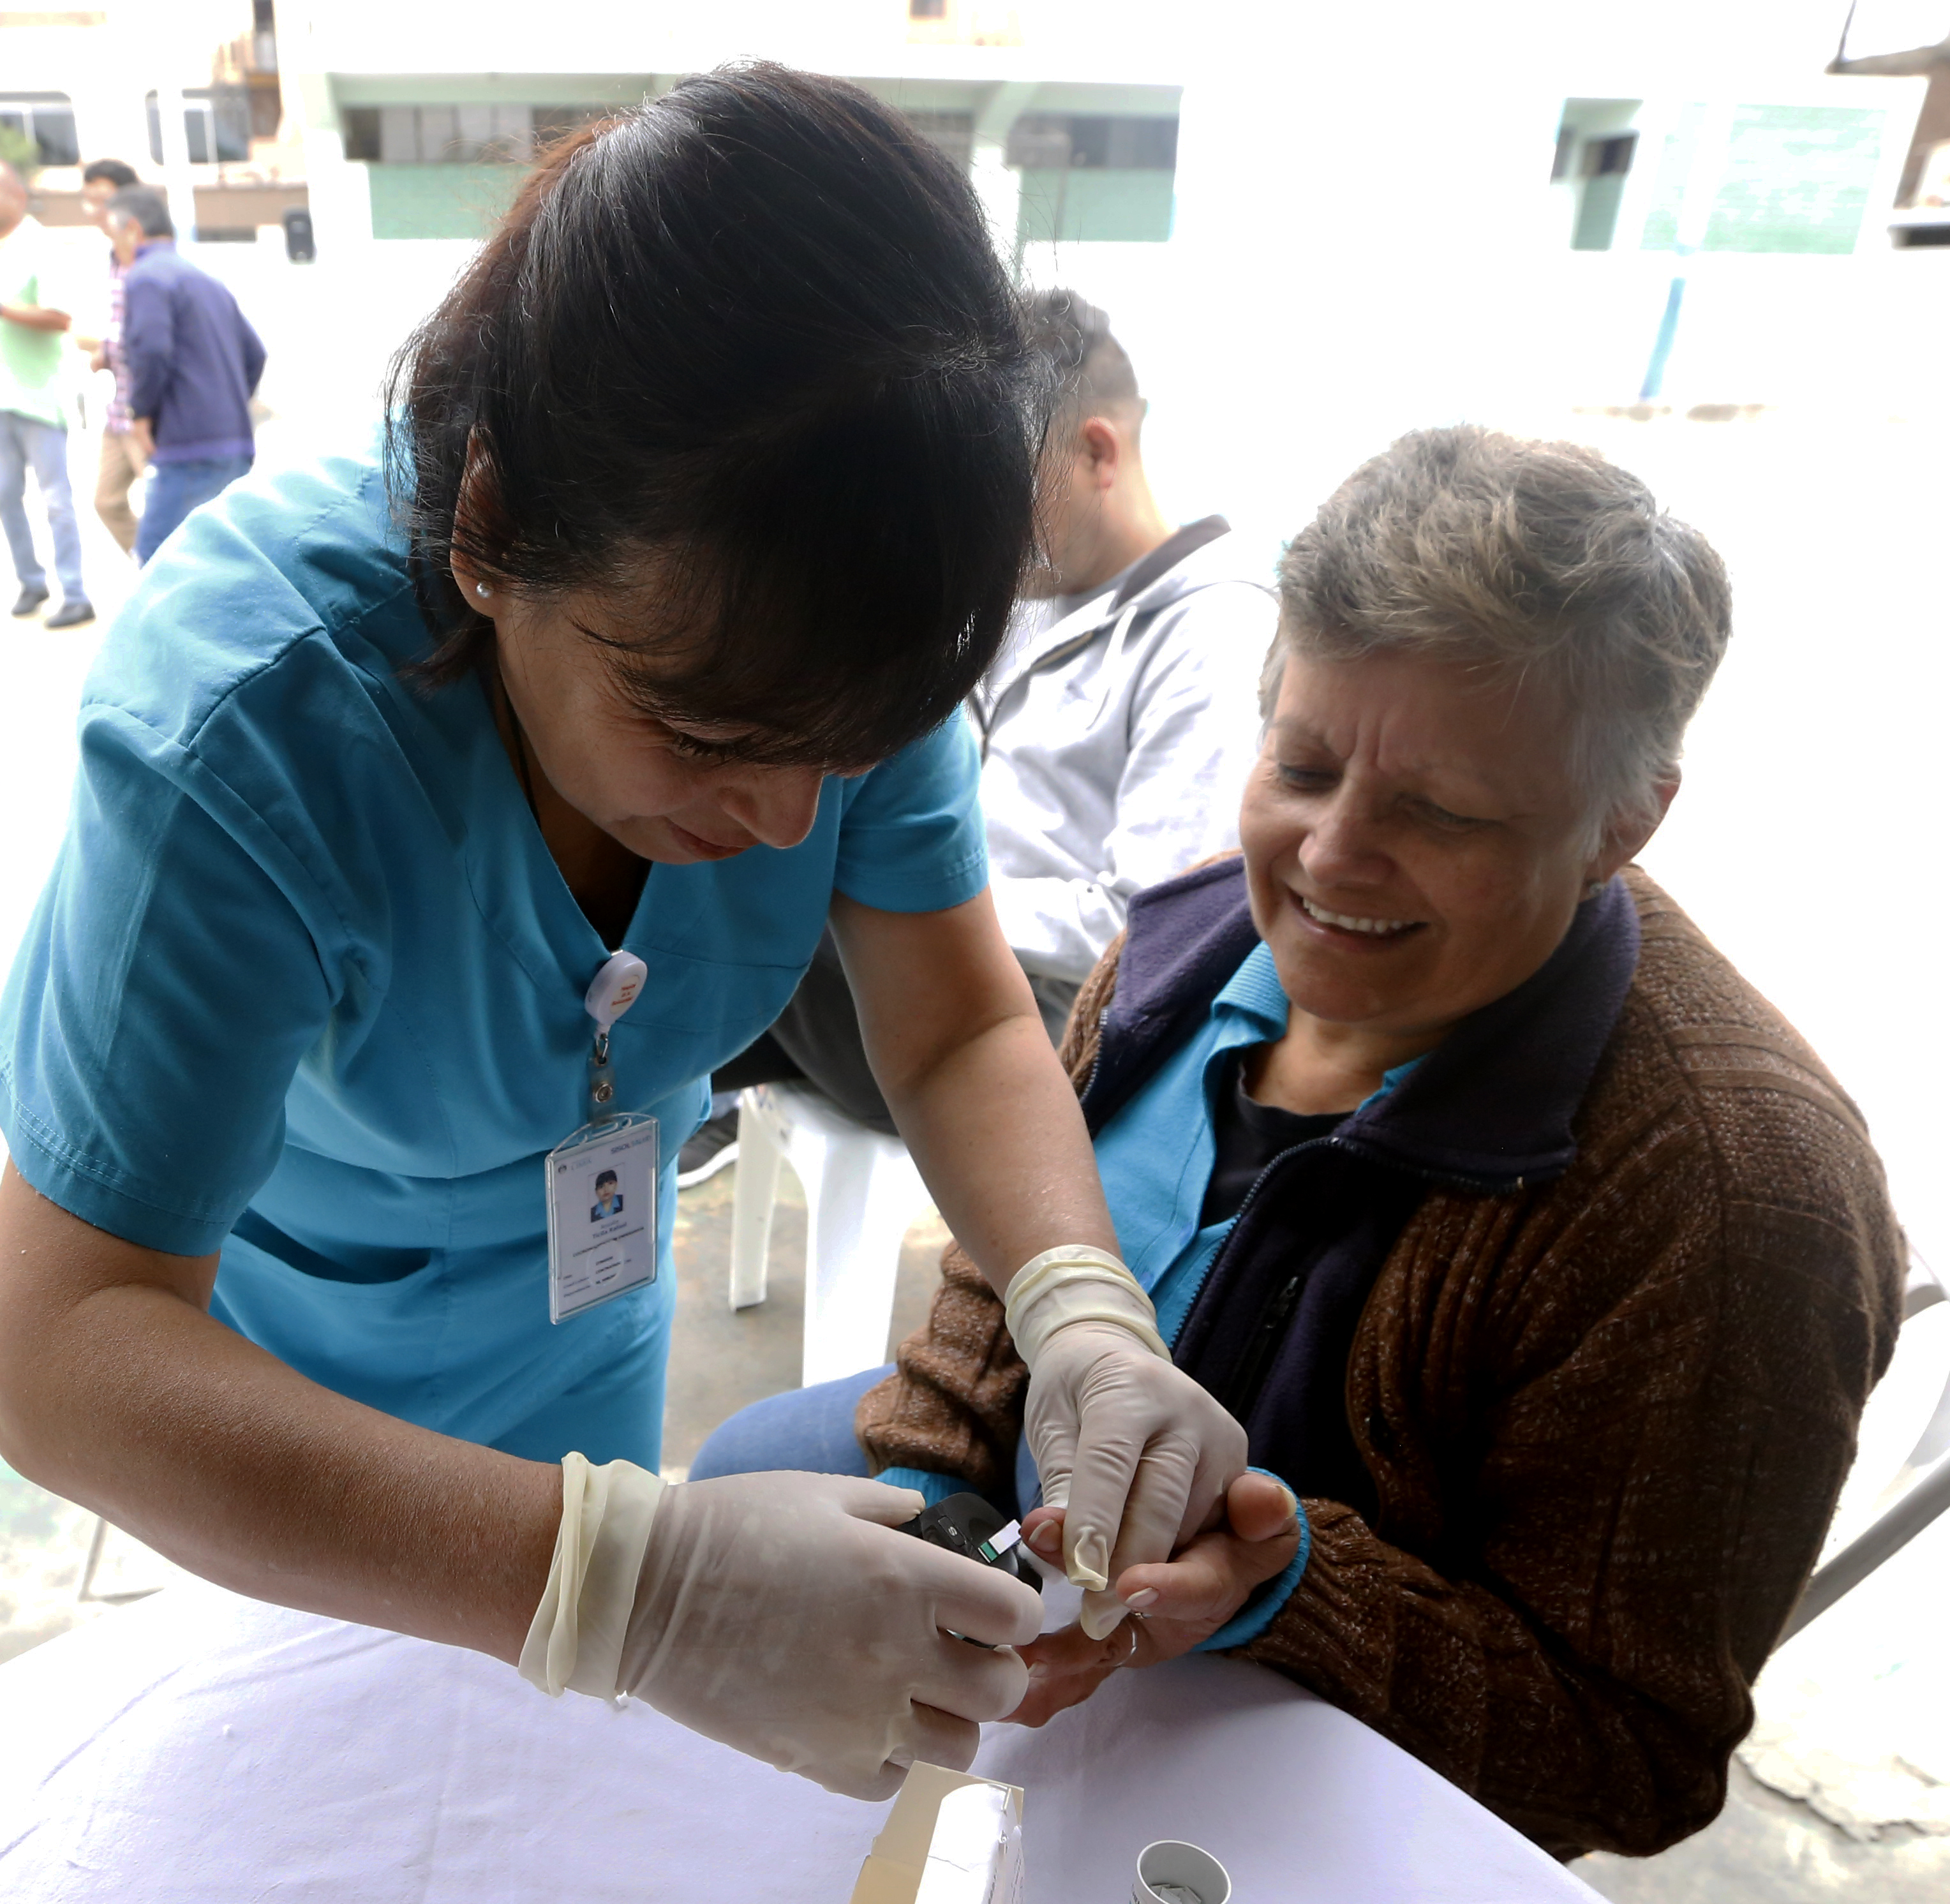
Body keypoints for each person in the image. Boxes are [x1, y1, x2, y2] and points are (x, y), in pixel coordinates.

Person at [0, 65, 1248, 1803]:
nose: (792, 823)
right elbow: (73, 1350)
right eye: (712, 739)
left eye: (854, 749)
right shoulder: (250, 730)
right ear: (495, 529)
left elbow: (949, 1028)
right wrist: (634, 1587)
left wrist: (1083, 1305)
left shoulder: (828, 651)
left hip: (589, 1342)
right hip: (278, 1437)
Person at [690, 427, 1905, 1859]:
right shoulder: (1190, 939)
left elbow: (1625, 1752)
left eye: (1441, 812)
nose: (1329, 859)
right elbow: (1001, 1281)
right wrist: (934, 1495)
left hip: (1314, 1737)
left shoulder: (1727, 1200)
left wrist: (1288, 1588)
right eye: (1303, 762)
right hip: (1047, 1591)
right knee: (735, 1490)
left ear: (1623, 821)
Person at [682, 290, 1276, 1183]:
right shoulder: (1022, 598)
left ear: (1096, 451)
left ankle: (619, 1075)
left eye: (995, 490)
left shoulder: (1211, 637)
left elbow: (1148, 933)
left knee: (748, 888)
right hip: (929, 970)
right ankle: (648, 1083)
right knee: (713, 856)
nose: (973, 529)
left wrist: (915, 898)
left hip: (1059, 1034)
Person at [0, 158, 93, 629]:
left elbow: (59, 317)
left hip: (40, 396)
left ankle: (75, 593)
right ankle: (31, 582)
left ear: (18, 194)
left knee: (56, 500)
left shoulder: (41, 246)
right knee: (5, 496)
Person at [105, 185, 265, 565]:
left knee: (158, 562)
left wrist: (141, 412)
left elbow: (152, 349)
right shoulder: (204, 278)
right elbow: (255, 354)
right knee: (220, 562)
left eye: (112, 238)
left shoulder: (145, 277)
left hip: (186, 446)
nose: (114, 251)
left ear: (132, 229)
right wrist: (223, 405)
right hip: (233, 442)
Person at [71, 158, 145, 556]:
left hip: (148, 410)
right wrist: (104, 351)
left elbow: (154, 335)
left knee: (171, 509)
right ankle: (154, 569)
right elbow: (124, 327)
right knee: (108, 502)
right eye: (88, 201)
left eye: (98, 199)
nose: (93, 211)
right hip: (121, 406)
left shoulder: (149, 255)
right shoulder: (114, 257)